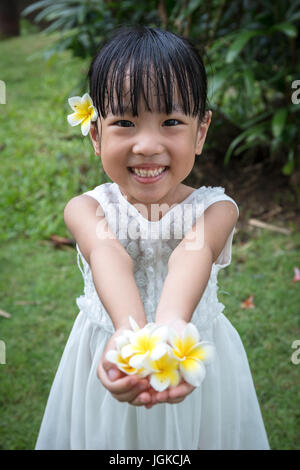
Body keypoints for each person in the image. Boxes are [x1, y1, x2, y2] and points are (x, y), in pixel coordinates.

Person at [35, 25, 270, 450]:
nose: (147, 144)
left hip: (190, 358)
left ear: (200, 132)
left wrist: (170, 334)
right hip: (108, 358)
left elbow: (190, 259)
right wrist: (130, 345)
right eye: (125, 121)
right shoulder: (86, 210)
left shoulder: (217, 211)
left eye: (171, 121)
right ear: (95, 134)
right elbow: (108, 254)